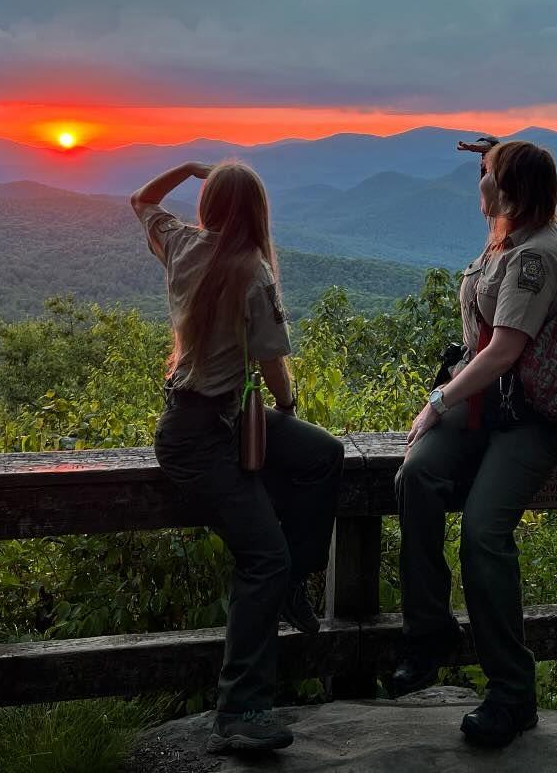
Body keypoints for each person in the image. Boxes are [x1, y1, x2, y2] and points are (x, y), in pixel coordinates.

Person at [132, 160, 344, 755]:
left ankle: (295, 579)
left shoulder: (180, 243)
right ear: (257, 212)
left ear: (208, 207)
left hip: (211, 420)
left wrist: (188, 169)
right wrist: (288, 406)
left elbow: (139, 199)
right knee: (262, 557)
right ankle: (241, 707)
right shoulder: (255, 271)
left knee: (324, 455)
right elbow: (276, 369)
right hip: (201, 436)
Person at [388, 138, 557, 748]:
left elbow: (504, 350)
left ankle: (512, 694)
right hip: (481, 413)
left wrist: (436, 401)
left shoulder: (536, 258)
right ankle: (430, 635)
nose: (477, 183)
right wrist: (501, 149)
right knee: (415, 477)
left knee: (482, 532)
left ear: (510, 190)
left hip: (526, 423)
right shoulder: (505, 240)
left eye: (485, 174)